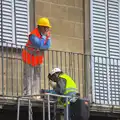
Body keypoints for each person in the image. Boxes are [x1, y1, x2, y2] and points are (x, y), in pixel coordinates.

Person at [22, 17, 52, 99]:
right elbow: (39, 45)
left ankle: (35, 94)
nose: (47, 29)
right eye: (46, 27)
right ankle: (27, 94)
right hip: (29, 58)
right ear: (41, 27)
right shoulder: (33, 35)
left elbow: (47, 46)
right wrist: (44, 40)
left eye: (48, 28)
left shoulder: (46, 36)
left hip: (38, 60)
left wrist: (47, 39)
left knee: (37, 77)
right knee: (28, 76)